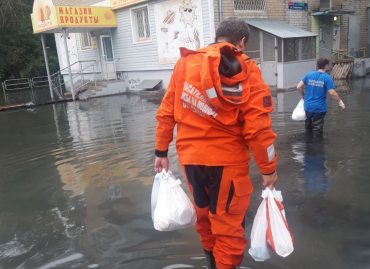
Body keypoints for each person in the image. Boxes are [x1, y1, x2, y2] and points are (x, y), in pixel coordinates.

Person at [154, 18, 278, 269]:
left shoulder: (185, 63)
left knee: (205, 219)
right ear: (242, 42)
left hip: (190, 160)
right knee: (229, 228)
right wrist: (268, 168)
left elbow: (167, 110)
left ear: (217, 35)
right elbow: (258, 128)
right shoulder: (247, 68)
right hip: (227, 163)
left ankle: (212, 263)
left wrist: (161, 150)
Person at [297, 57, 345, 136]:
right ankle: (317, 147)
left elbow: (298, 87)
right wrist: (340, 102)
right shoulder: (327, 78)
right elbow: (332, 93)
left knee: (308, 131)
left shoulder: (309, 75)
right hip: (319, 109)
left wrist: (303, 95)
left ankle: (307, 146)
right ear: (326, 66)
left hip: (307, 107)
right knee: (317, 133)